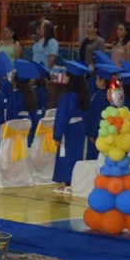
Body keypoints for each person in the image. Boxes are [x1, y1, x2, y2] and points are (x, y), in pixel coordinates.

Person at [50, 60, 92, 194]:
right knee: (77, 153)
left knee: (66, 154)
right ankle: (74, 181)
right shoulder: (83, 94)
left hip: (69, 128)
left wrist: (57, 135)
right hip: (79, 126)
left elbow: (62, 116)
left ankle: (68, 182)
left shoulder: (67, 96)